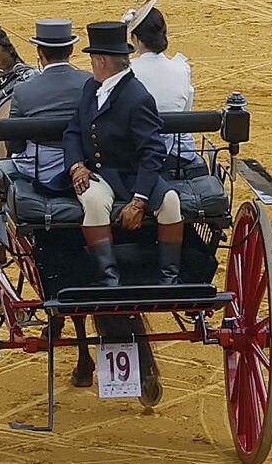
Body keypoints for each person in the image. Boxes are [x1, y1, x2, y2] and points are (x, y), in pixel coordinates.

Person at [62, 19, 182, 287]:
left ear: (101, 61)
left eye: (93, 59)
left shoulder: (137, 97)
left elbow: (152, 151)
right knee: (93, 201)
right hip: (99, 173)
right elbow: (73, 131)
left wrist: (139, 201)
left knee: (171, 202)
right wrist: (77, 165)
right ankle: (109, 279)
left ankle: (169, 279)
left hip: (133, 173)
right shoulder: (91, 88)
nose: (92, 64)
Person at [0, 18, 91, 219]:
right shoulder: (90, 82)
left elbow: (15, 146)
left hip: (41, 172)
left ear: (40, 52)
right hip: (86, 167)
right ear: (71, 50)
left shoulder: (23, 90)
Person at [127, 4, 198, 170]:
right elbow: (185, 111)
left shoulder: (127, 71)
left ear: (136, 39)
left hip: (138, 155)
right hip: (178, 155)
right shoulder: (182, 68)